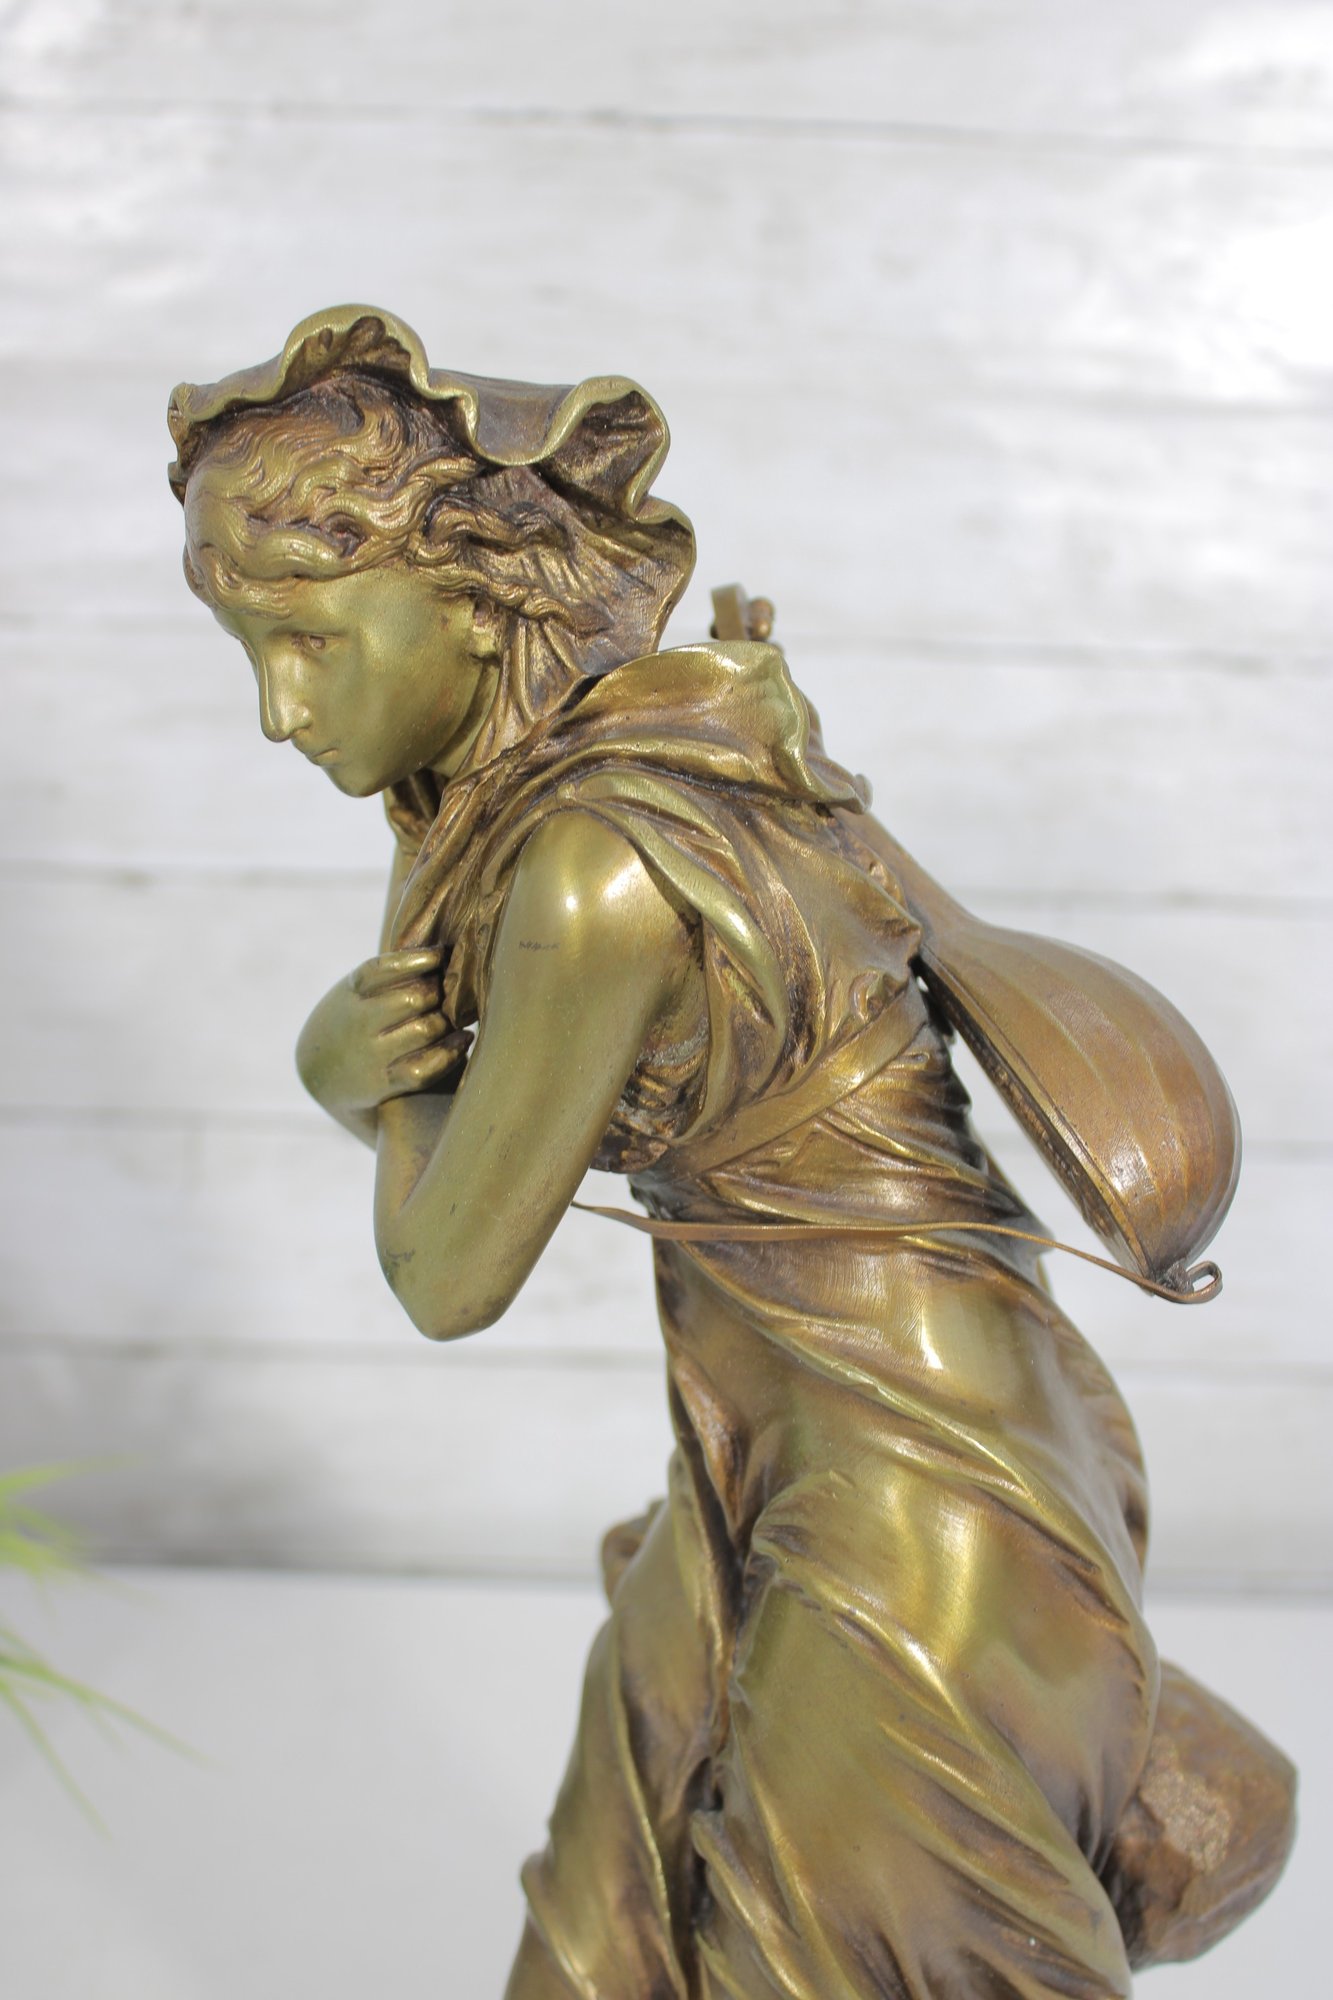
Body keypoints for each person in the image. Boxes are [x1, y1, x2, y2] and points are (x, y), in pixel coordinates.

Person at [170, 306, 1294, 2000]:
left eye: (312, 641)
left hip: (900, 1498)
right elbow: (560, 1133)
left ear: (474, 602)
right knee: (612, 1926)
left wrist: (359, 1079)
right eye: (249, 649)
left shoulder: (593, 868)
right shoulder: (670, 760)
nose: (278, 710)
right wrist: (393, 1066)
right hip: (810, 1452)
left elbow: (448, 1276)